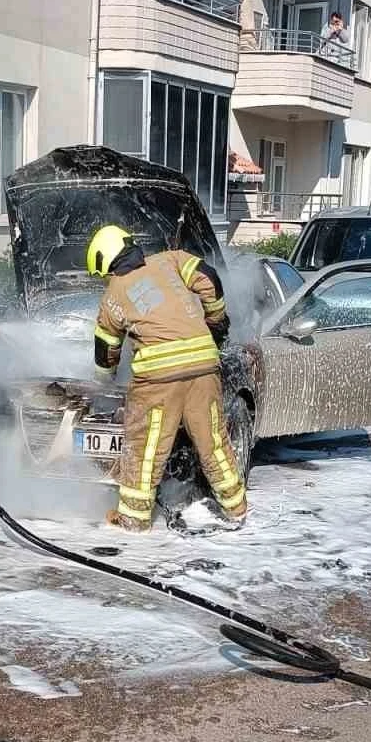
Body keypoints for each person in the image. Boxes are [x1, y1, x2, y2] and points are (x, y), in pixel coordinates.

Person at [87, 225, 247, 532]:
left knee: (145, 449)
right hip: (204, 366)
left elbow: (106, 349)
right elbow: (209, 278)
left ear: (104, 260)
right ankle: (237, 509)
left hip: (158, 381)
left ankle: (134, 519)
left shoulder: (113, 295)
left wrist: (103, 380)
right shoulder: (170, 260)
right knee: (213, 442)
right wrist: (216, 321)